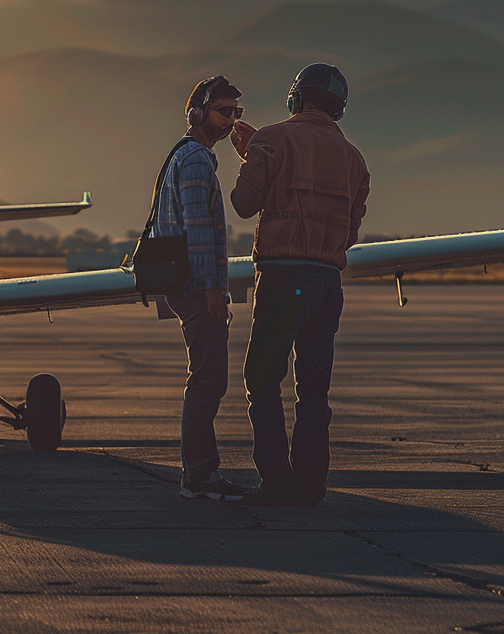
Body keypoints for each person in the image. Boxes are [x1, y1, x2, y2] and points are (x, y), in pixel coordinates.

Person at [229, 64, 370, 506]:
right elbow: (349, 233)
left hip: (282, 278)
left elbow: (243, 204)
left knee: (262, 380)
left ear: (297, 98)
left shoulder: (271, 139)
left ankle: (276, 482)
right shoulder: (355, 161)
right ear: (338, 108)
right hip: (328, 284)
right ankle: (311, 486)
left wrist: (253, 153)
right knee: (313, 391)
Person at [152, 75, 248, 500]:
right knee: (208, 380)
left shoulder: (192, 156)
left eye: (237, 112)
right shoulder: (195, 161)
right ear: (198, 114)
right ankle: (200, 475)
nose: (231, 120)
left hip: (189, 283)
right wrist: (212, 289)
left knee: (207, 378)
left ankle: (200, 471)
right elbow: (198, 229)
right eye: (224, 111)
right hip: (195, 285)